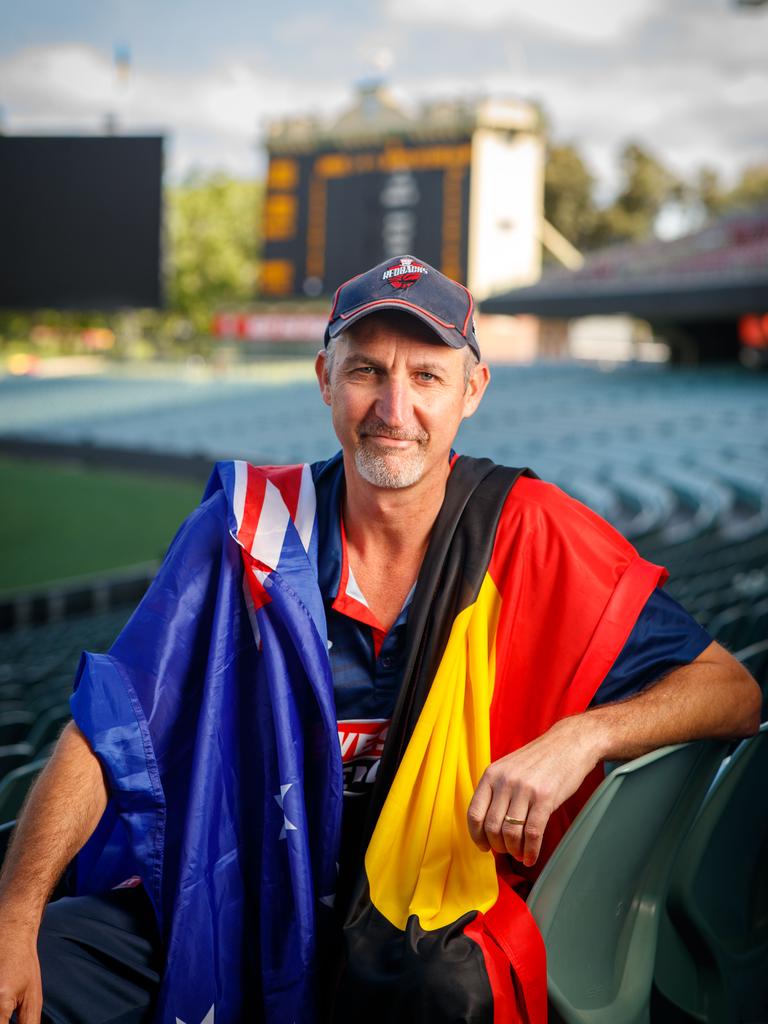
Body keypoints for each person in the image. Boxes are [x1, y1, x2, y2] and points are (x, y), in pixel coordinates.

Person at [0, 255, 760, 1024]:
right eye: (367, 370)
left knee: (440, 996)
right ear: (325, 379)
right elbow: (108, 733)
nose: (393, 408)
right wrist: (16, 913)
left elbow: (732, 691)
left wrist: (582, 736)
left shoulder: (529, 529)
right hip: (244, 892)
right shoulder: (247, 531)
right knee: (48, 961)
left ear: (474, 390)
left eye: (427, 376)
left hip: (431, 914)